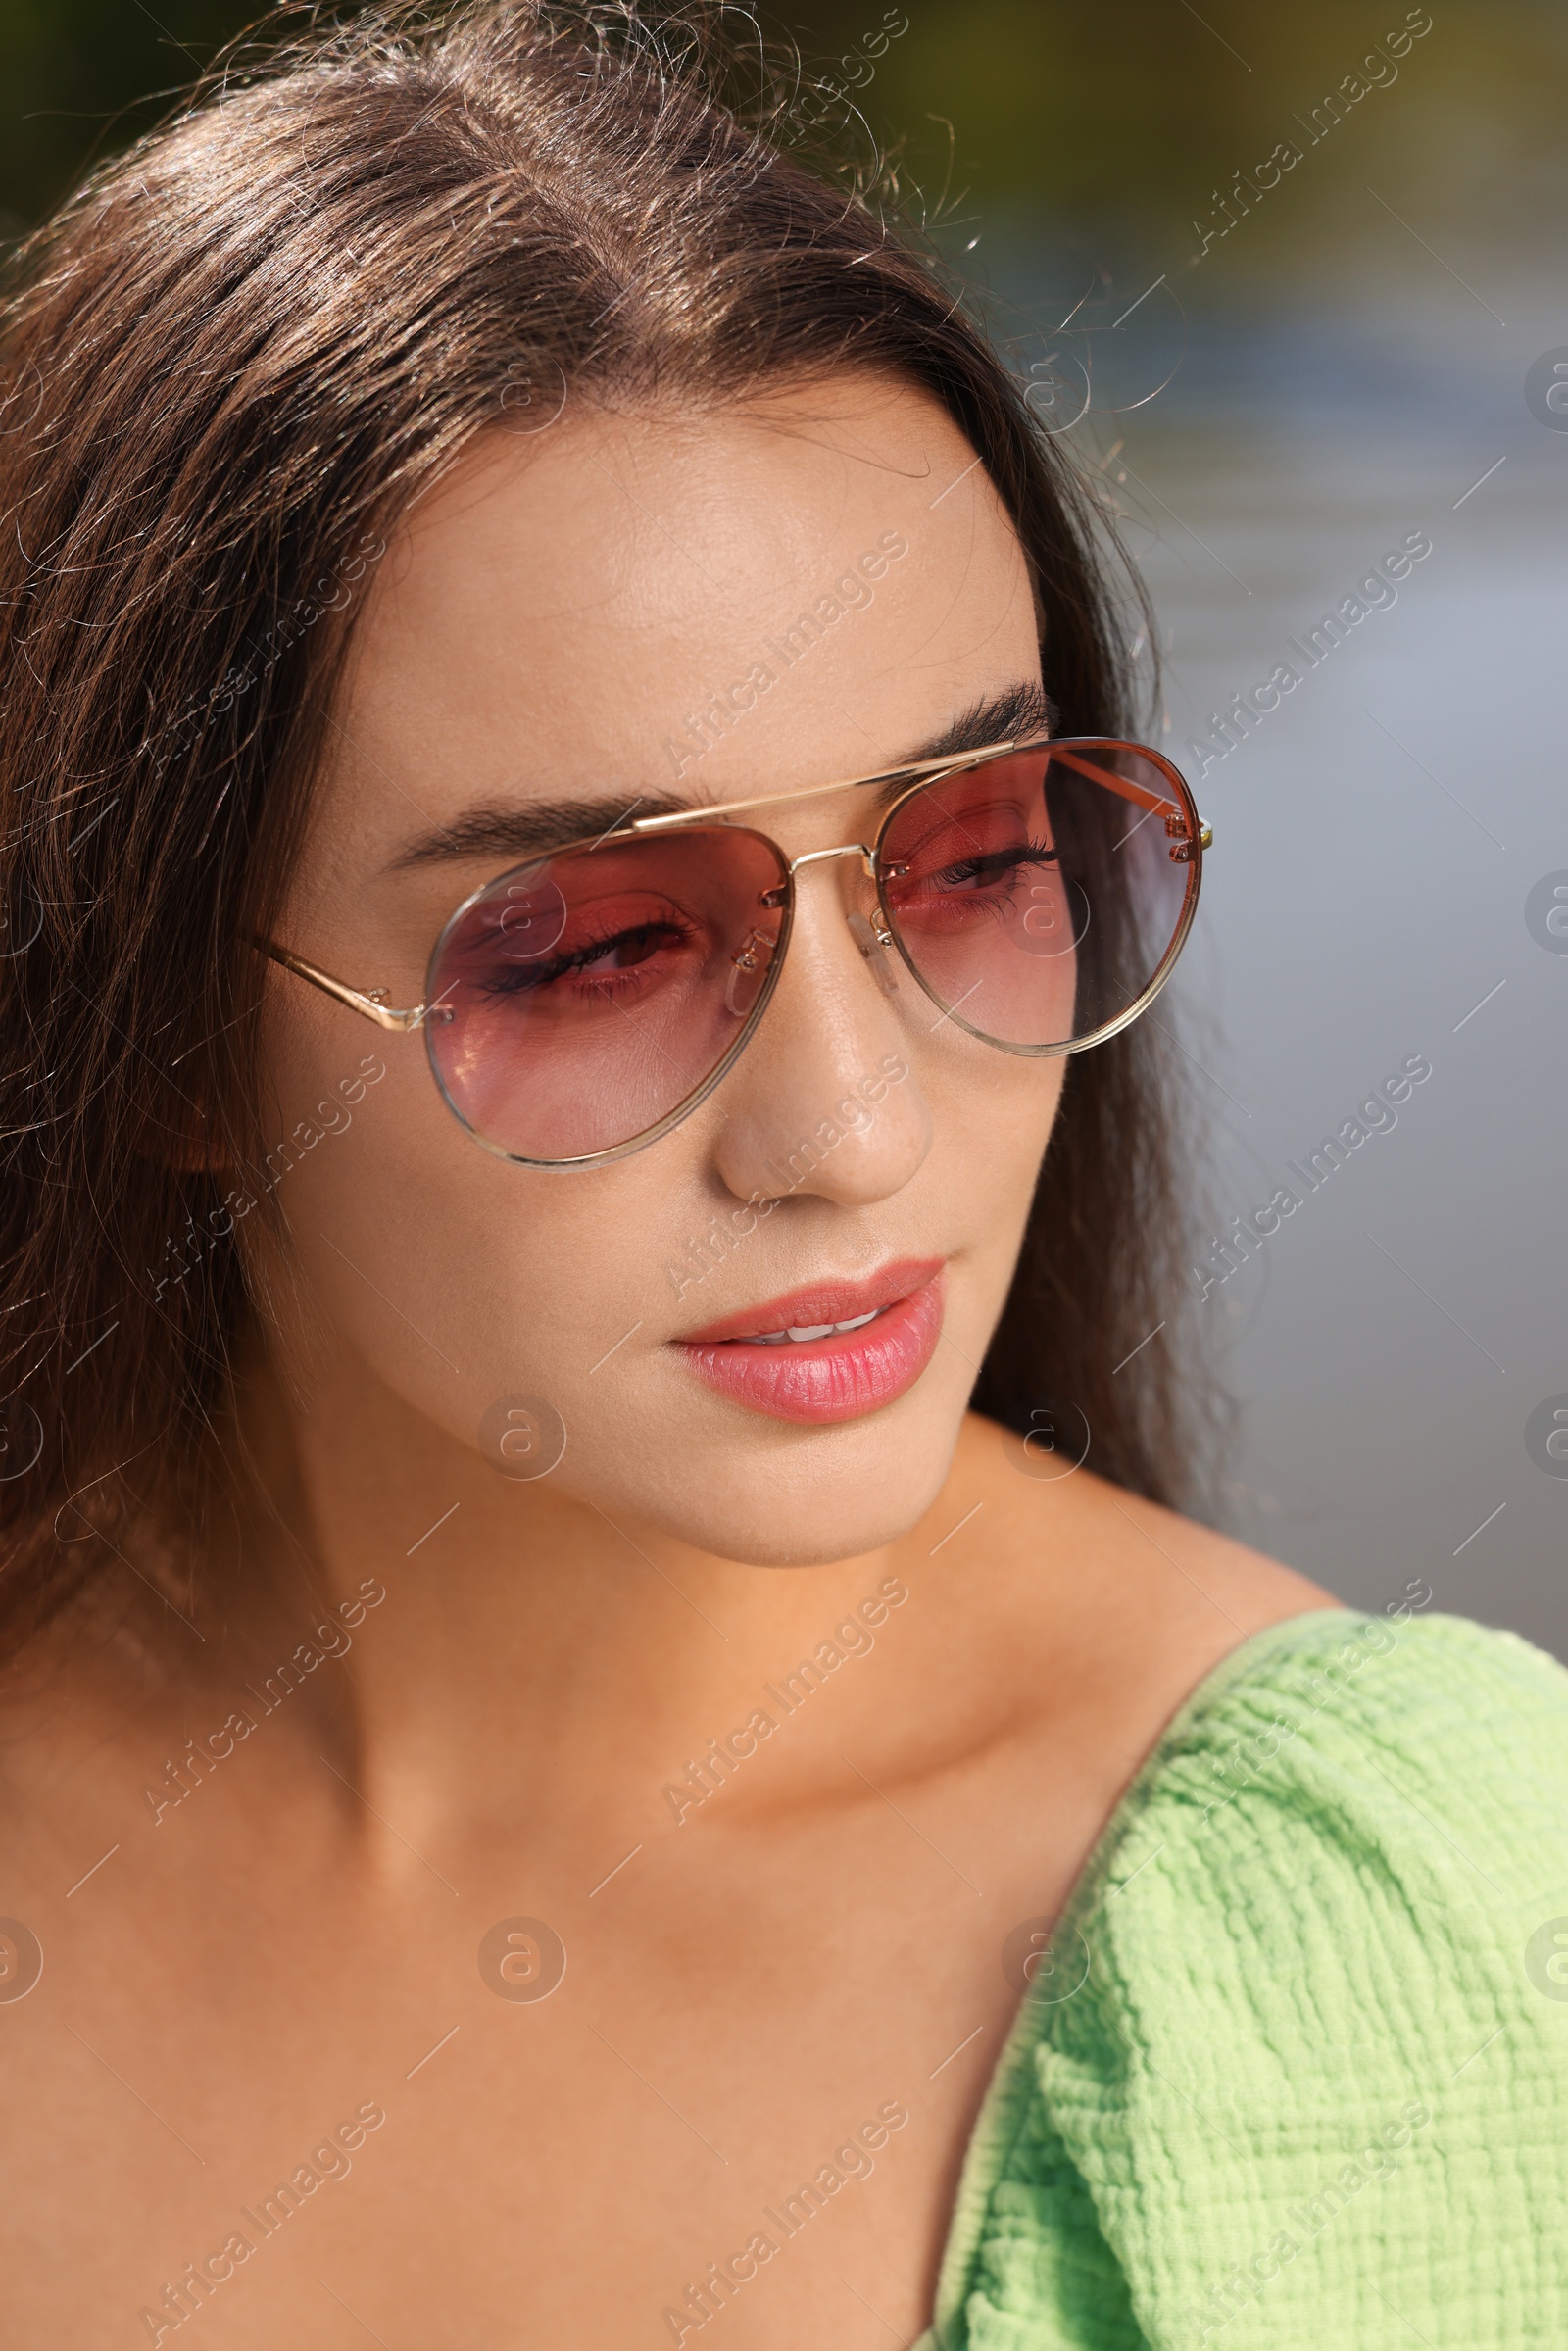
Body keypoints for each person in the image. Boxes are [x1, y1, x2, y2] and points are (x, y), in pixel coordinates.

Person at [0, 6, 1563, 2345]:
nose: (854, 1132)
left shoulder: (1396, 1950)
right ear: (160, 1038)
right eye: (595, 945)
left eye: (960, 856)